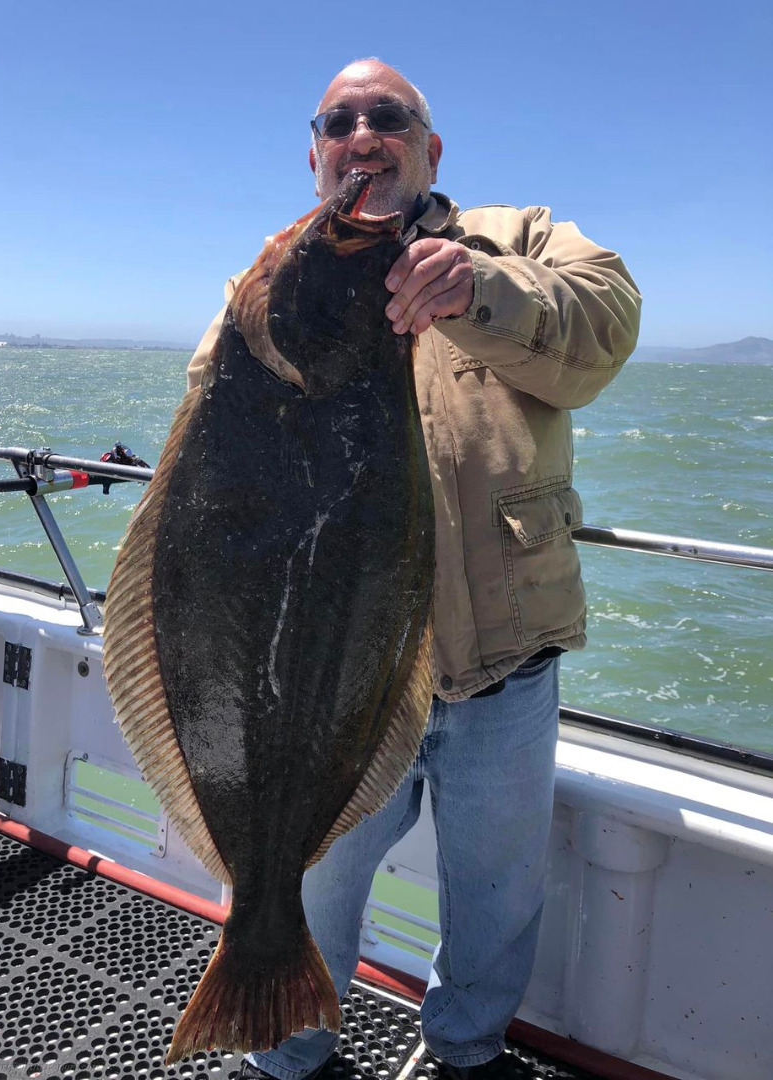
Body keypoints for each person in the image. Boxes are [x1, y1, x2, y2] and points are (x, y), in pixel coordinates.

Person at [186, 59, 641, 1080]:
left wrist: (477, 286)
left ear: (430, 148)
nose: (362, 134)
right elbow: (207, 487)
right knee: (304, 889)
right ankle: (284, 1052)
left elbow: (606, 326)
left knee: (496, 900)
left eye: (388, 117)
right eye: (338, 122)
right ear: (315, 158)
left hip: (502, 671)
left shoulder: (518, 241)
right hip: (331, 682)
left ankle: (467, 1054)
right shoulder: (265, 288)